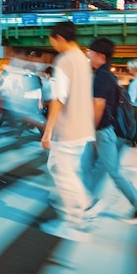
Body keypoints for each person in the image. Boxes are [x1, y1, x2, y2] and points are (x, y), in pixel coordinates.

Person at [85, 38, 137, 224]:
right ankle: (86, 201)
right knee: (89, 165)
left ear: (100, 55)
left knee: (113, 171)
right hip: (106, 130)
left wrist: (91, 130)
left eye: (90, 52)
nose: (88, 55)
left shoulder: (102, 77)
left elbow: (98, 106)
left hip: (102, 131)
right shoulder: (108, 75)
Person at [39, 21, 95, 242]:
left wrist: (48, 131)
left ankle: (75, 221)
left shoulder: (64, 61)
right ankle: (84, 207)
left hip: (68, 128)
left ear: (60, 38)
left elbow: (58, 98)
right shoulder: (83, 59)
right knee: (62, 169)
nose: (52, 45)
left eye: (52, 41)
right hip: (83, 127)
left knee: (63, 174)